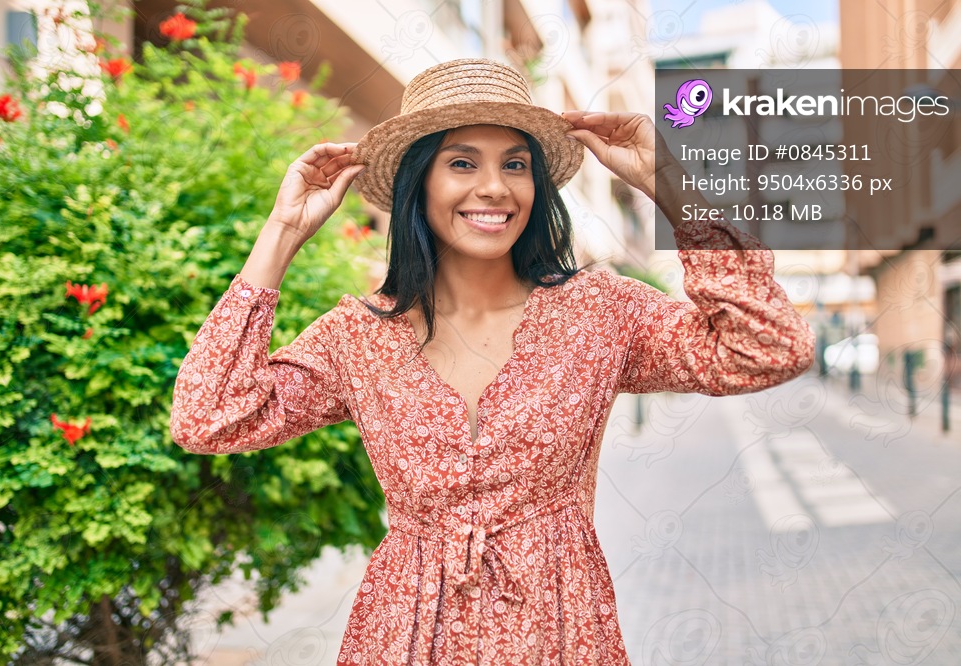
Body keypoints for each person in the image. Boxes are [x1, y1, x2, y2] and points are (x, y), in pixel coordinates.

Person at [170, 58, 815, 665]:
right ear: (416, 182)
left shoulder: (598, 312)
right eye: (461, 162)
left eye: (514, 164)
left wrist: (669, 184)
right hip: (405, 636)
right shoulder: (359, 336)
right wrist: (282, 234)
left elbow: (769, 347)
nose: (493, 187)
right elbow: (208, 416)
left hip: (561, 632)